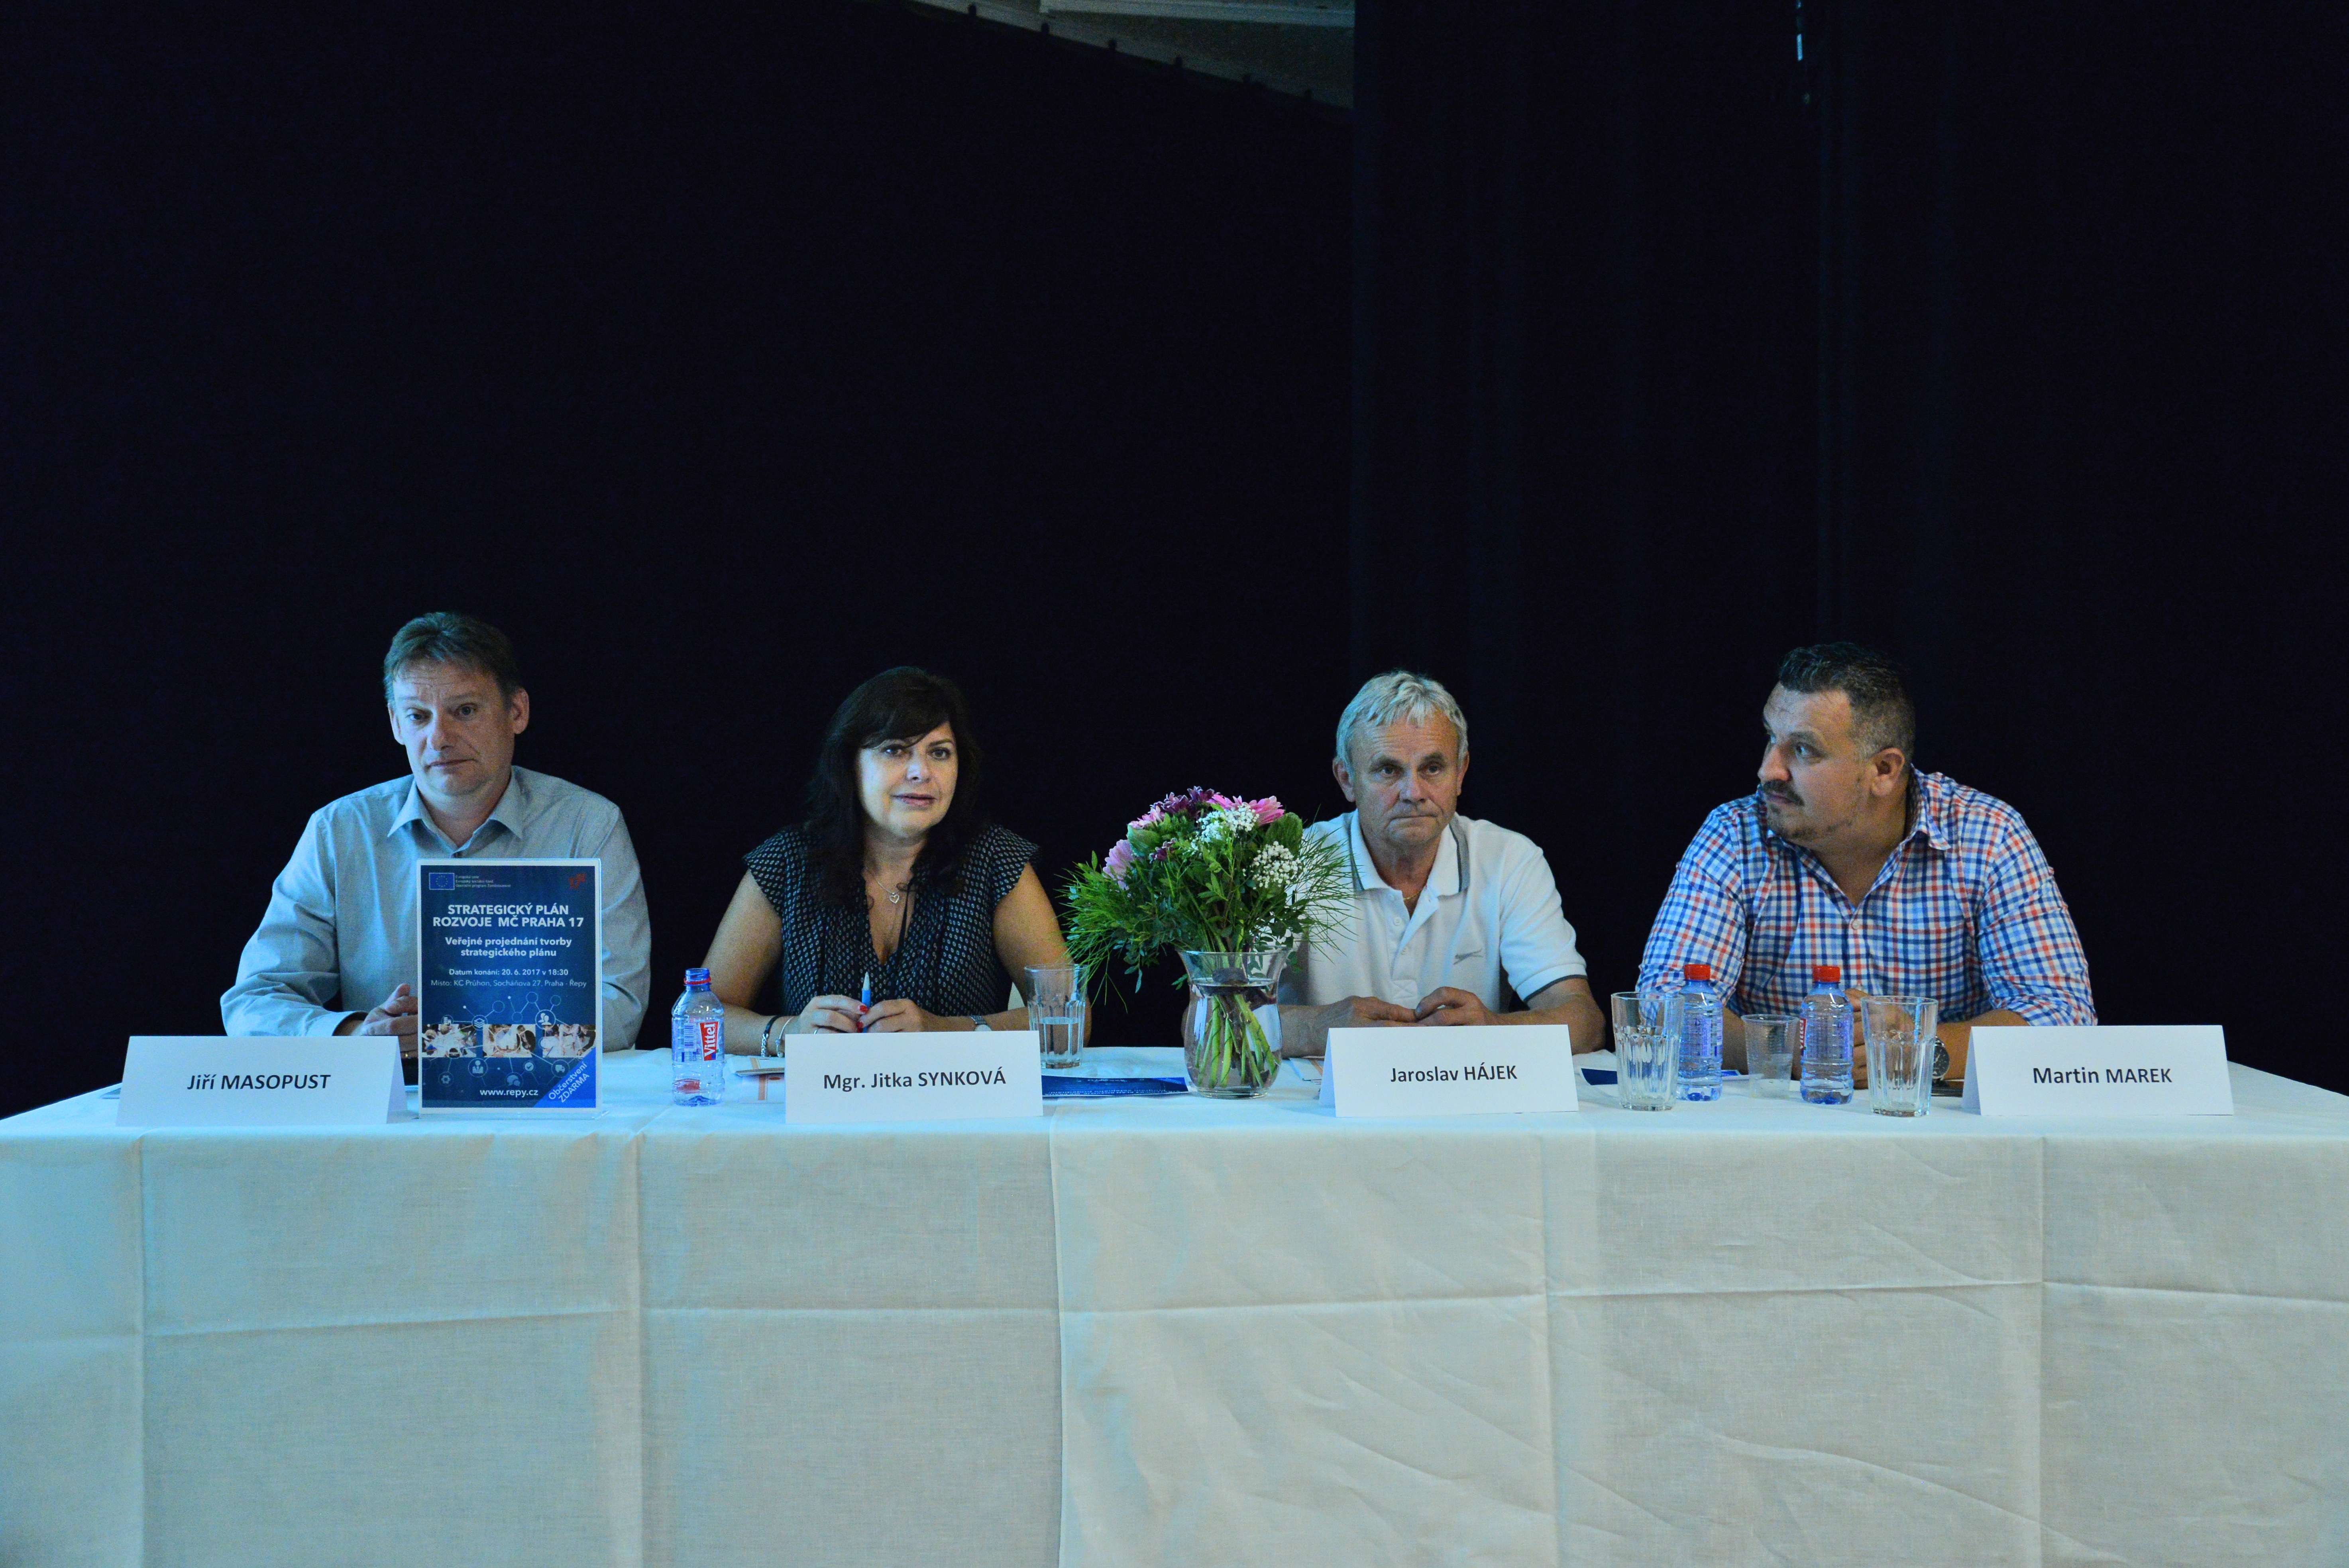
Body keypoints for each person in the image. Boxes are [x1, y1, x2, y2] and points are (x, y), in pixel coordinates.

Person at [1638, 642, 2094, 1084]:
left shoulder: (1987, 835)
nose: (1767, 770)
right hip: (1785, 1119)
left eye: (1803, 750)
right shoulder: (1734, 833)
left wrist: (1915, 1045)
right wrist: (1785, 1047)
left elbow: (2063, 1015)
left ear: (1883, 771)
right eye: (1770, 738)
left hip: (1936, 1124)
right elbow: (1663, 1001)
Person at [222, 613, 652, 1049]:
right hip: (388, 1085)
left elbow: (619, 1004)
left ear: (517, 712)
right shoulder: (339, 831)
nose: (440, 737)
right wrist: (360, 1035)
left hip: (539, 1086)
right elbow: (255, 1000)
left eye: (465, 711)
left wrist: (463, 1043)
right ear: (396, 723)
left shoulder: (587, 824)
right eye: (418, 716)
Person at [702, 666, 1069, 1043]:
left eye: (940, 753)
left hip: (952, 1083)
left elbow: (1068, 1016)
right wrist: (788, 1032)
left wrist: (945, 1030)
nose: (921, 772)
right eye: (895, 750)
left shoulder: (997, 861)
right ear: (850, 764)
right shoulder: (788, 862)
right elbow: (702, 1014)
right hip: (828, 1083)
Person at [1275, 671, 1606, 1057]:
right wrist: (1317, 1028)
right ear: (1346, 779)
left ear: (1460, 773)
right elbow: (1219, 1018)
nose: (1413, 793)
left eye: (1432, 768)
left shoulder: (1509, 859)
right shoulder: (1292, 862)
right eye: (1388, 770)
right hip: (1318, 1097)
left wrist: (1494, 1029)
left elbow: (1585, 1022)